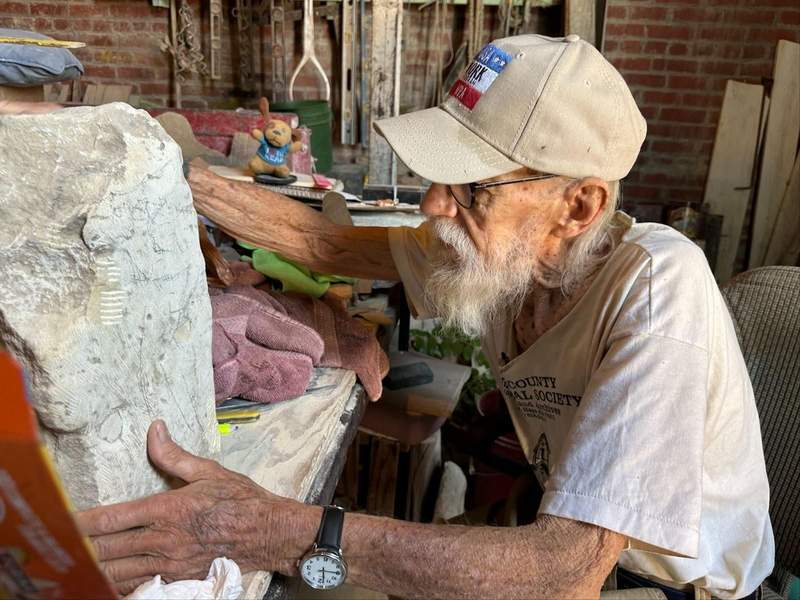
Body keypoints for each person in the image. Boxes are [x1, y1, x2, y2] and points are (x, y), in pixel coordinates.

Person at [75, 34, 773, 598]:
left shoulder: (657, 285)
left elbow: (565, 574)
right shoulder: (512, 257)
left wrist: (265, 529)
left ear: (579, 207)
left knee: (311, 567)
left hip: (659, 584)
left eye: (471, 189)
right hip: (551, 524)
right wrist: (174, 172)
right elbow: (326, 243)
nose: (437, 206)